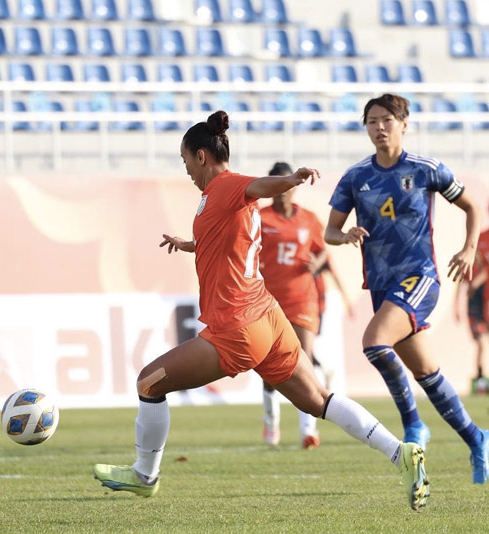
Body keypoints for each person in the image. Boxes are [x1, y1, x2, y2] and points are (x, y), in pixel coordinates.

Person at [93, 110, 429, 511]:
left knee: (149, 383)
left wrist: (290, 180)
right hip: (268, 317)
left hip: (237, 325)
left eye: (185, 161)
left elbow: (256, 186)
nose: (185, 171)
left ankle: (145, 476)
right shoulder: (216, 200)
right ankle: (401, 454)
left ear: (201, 156)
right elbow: (228, 241)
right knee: (318, 399)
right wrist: (190, 245)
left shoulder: (226, 185)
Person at [324, 93, 489, 484]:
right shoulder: (355, 177)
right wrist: (344, 234)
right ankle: (478, 438)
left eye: (386, 120)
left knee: (374, 342)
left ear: (404, 123)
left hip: (420, 278)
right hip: (381, 287)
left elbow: (471, 206)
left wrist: (468, 249)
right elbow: (328, 231)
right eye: (371, 121)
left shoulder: (425, 169)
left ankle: (414, 426)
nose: (379, 128)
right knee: (427, 373)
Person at [259, 161, 326, 449]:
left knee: (304, 359)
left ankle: (308, 430)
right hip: (268, 300)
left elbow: (323, 252)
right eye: (275, 184)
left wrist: (316, 263)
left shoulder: (309, 219)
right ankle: (271, 423)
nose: (280, 191)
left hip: (302, 296)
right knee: (268, 363)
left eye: (285, 185)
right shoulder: (260, 218)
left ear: (293, 187)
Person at [454, 227, 489, 394]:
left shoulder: (481, 263)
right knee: (481, 342)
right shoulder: (468, 262)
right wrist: (456, 306)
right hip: (474, 306)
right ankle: (481, 378)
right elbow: (460, 283)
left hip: (485, 301)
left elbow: (484, 272)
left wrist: (475, 284)